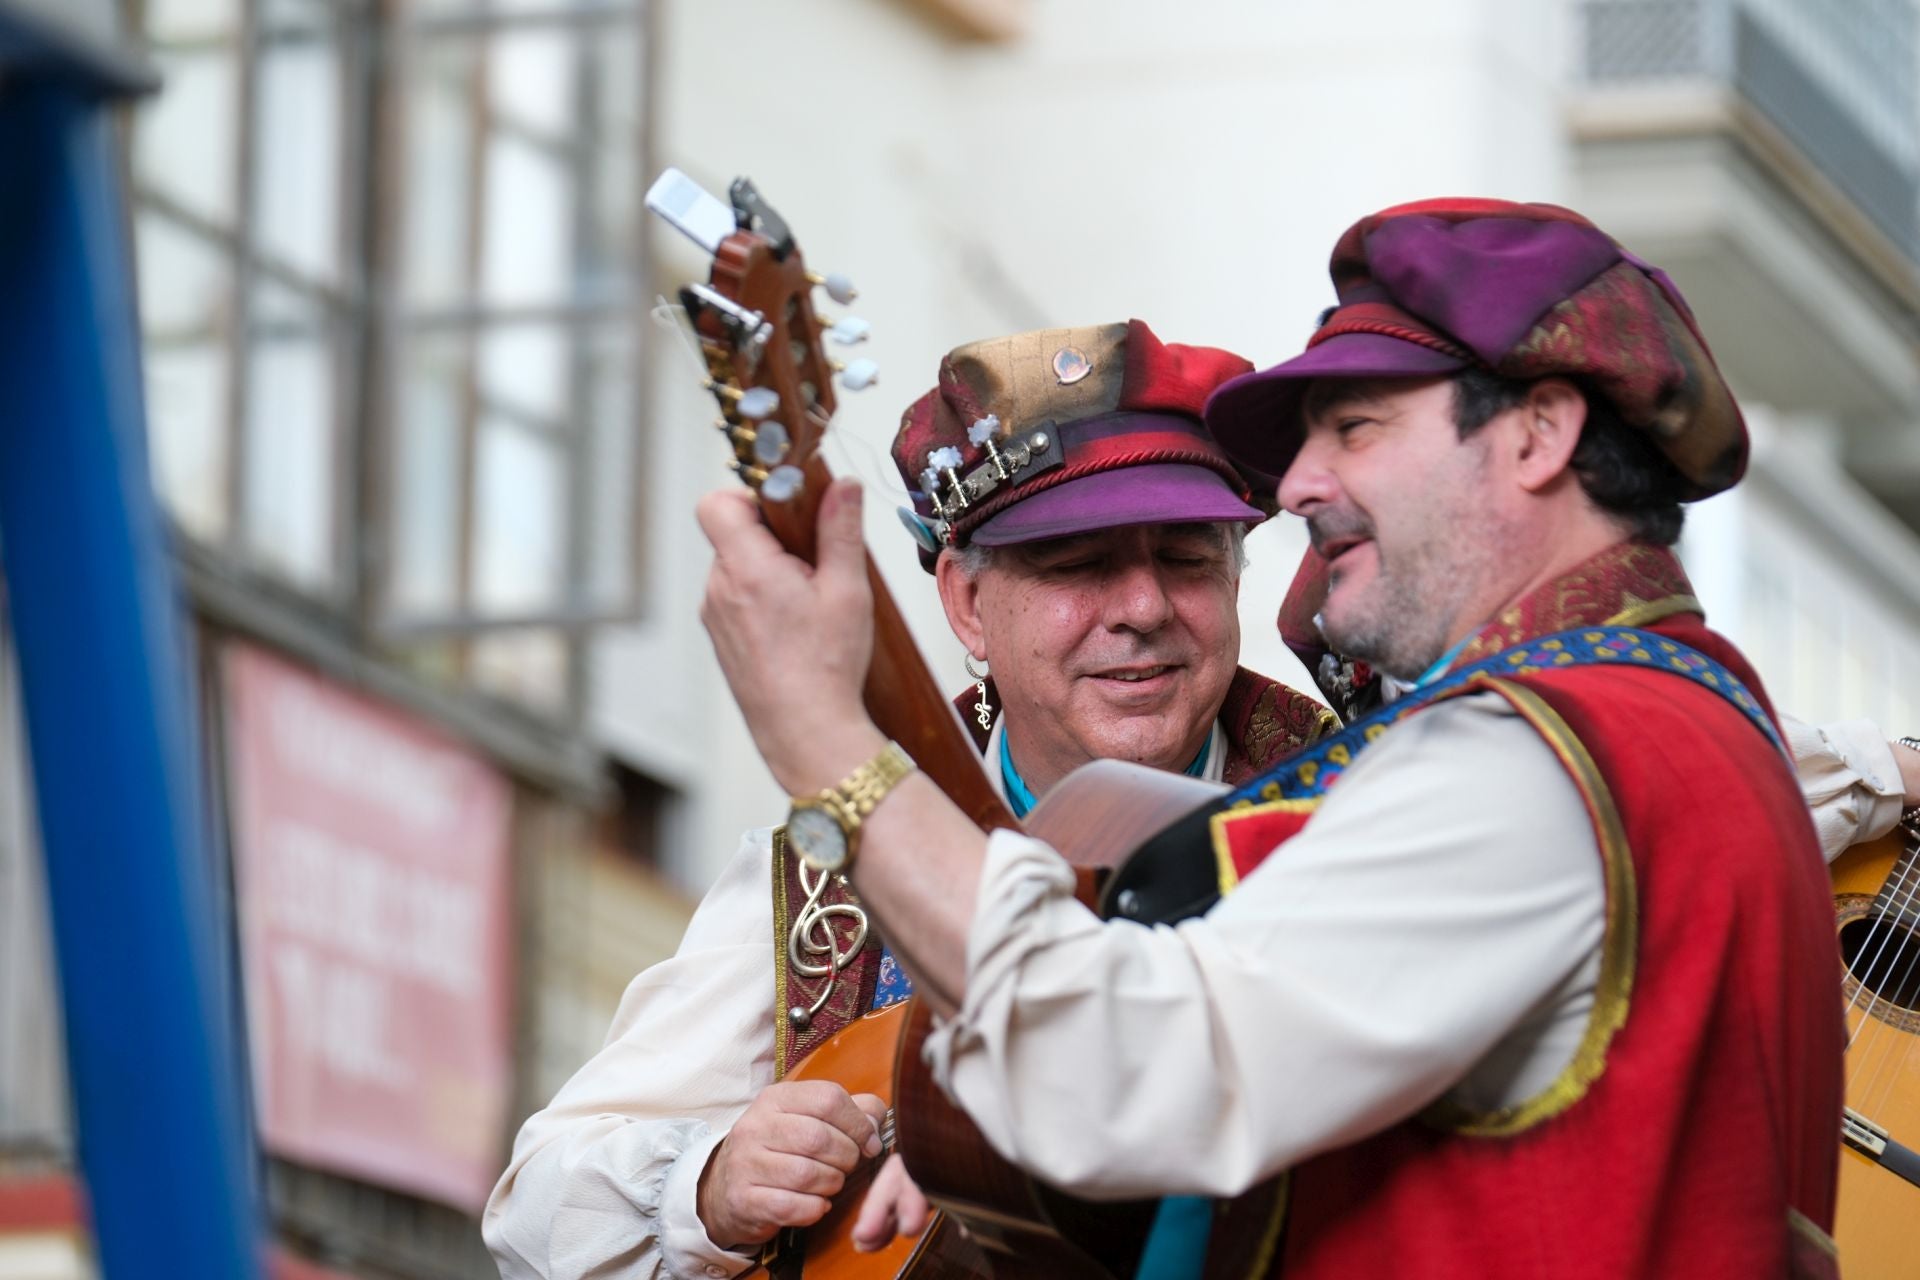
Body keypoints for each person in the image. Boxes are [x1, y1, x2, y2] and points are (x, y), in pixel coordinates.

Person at [690, 200, 1862, 1278]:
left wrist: (828, 748)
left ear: (1538, 433)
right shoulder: (1675, 716)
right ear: (963, 600)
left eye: (1355, 426)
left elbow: (1127, 1074)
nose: (1297, 483)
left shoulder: (1533, 755)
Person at [483, 320, 1337, 1280]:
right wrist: (713, 1187)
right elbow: (533, 1210)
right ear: (968, 604)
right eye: (1079, 565)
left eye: (1186, 558)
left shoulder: (1350, 804)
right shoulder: (825, 859)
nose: (1142, 608)